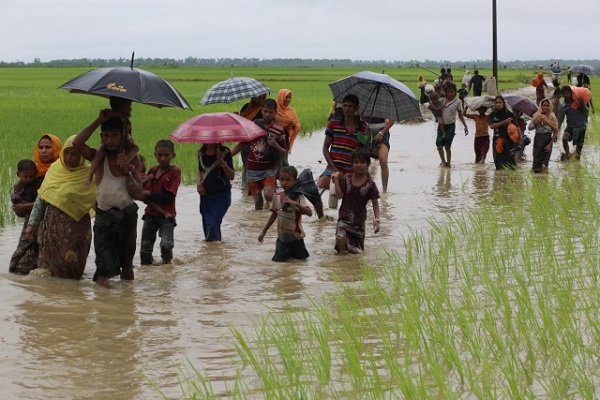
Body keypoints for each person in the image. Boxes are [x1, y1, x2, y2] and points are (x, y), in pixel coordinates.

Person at [72, 111, 143, 288]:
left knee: (127, 264)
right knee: (102, 270)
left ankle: (126, 304)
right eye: (106, 136)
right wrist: (99, 120)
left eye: (115, 136)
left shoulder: (134, 159)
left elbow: (138, 194)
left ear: (123, 137)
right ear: (101, 137)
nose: (110, 140)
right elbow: (77, 143)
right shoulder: (98, 156)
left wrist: (126, 170)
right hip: (104, 215)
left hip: (127, 215)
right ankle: (106, 309)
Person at [24, 136, 96, 280]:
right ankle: (53, 298)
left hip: (76, 231)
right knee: (48, 270)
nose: (69, 158)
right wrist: (32, 224)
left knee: (72, 270)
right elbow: (42, 198)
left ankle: (70, 298)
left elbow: (99, 202)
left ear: (82, 155)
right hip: (51, 228)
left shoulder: (90, 174)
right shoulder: (55, 170)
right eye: (67, 153)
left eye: (74, 154)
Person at [9, 134, 63, 275]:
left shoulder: (61, 172)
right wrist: (19, 206)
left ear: (56, 149)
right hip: (31, 225)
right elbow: (19, 205)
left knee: (53, 269)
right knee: (19, 267)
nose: (43, 151)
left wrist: (24, 207)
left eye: (48, 147)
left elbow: (54, 200)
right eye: (41, 147)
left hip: (53, 226)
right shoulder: (32, 172)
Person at [316, 94, 369, 218]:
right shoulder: (334, 123)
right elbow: (325, 148)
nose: (347, 109)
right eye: (345, 106)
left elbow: (365, 155)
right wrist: (334, 169)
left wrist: (366, 140)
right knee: (318, 190)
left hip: (352, 170)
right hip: (333, 166)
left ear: (357, 108)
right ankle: (321, 219)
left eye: (350, 106)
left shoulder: (362, 128)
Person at [231, 99, 287, 210]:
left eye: (271, 112)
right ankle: (259, 223)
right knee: (258, 203)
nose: (267, 114)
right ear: (261, 111)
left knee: (269, 194)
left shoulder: (279, 130)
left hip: (269, 169)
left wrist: (275, 145)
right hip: (252, 170)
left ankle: (274, 210)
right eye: (265, 111)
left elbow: (283, 152)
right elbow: (241, 144)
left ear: (275, 113)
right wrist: (227, 155)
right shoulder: (254, 126)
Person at [258, 165, 312, 262]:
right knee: (279, 263)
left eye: (288, 180)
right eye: (281, 179)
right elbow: (274, 214)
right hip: (282, 237)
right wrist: (263, 232)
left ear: (295, 181)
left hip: (296, 238)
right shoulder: (277, 196)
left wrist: (295, 204)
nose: (284, 183)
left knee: (300, 262)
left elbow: (309, 212)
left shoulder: (298, 197)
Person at [139, 140, 181, 265]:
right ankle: (150, 275)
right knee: (145, 251)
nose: (162, 158)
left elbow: (169, 197)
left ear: (173, 155)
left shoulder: (175, 172)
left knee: (166, 246)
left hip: (167, 215)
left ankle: (167, 269)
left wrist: (150, 195)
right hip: (150, 214)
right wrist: (147, 194)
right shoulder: (152, 170)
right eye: (159, 155)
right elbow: (143, 192)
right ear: (155, 155)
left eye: (166, 155)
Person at [332, 148, 380, 254]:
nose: (359, 165)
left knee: (356, 254)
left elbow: (375, 203)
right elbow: (339, 196)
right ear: (352, 164)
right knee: (340, 239)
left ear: (367, 165)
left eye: (362, 162)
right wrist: (336, 180)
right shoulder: (347, 179)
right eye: (356, 162)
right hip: (344, 221)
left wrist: (376, 219)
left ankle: (345, 264)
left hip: (358, 225)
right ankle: (343, 263)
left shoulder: (370, 185)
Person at [86, 97, 138, 185]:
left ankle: (126, 162)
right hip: (107, 144)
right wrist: (119, 115)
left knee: (135, 148)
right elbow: (105, 113)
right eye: (129, 105)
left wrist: (128, 140)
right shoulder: (110, 114)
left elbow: (128, 135)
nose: (130, 108)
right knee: (99, 152)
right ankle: (90, 175)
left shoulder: (126, 121)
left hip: (123, 142)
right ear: (122, 106)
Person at [197, 142, 234, 242]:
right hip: (206, 195)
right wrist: (199, 183)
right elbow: (200, 171)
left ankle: (213, 249)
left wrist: (222, 161)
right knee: (208, 225)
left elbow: (231, 176)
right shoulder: (201, 153)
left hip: (222, 195)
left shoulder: (225, 152)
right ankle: (212, 251)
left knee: (213, 222)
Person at [436, 83, 469, 168]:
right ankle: (443, 162)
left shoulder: (457, 102)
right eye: (449, 92)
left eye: (452, 92)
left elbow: (460, 115)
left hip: (451, 126)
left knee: (447, 145)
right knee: (439, 144)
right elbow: (436, 111)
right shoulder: (441, 101)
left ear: (455, 92)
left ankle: (449, 164)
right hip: (441, 125)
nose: (450, 93)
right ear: (446, 92)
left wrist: (465, 125)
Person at [239, 94, 267, 190]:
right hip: (245, 141)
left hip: (258, 144)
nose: (260, 100)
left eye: (263, 98)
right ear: (253, 97)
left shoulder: (264, 110)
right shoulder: (246, 107)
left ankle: (255, 188)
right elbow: (240, 123)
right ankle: (246, 189)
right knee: (246, 165)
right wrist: (237, 116)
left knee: (257, 166)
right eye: (258, 97)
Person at [488, 95, 521, 170]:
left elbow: (517, 127)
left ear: (503, 103)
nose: (498, 104)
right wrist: (504, 122)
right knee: (498, 162)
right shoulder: (492, 115)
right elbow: (492, 126)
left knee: (511, 163)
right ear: (494, 104)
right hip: (497, 140)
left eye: (500, 102)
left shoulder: (509, 114)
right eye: (496, 103)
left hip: (509, 141)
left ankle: (511, 180)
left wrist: (520, 139)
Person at [558, 86, 589, 161]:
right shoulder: (563, 106)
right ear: (562, 95)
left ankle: (577, 167)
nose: (566, 95)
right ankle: (568, 154)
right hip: (570, 127)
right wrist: (556, 132)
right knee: (564, 138)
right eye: (564, 93)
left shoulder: (578, 102)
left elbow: (586, 112)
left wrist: (582, 104)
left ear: (571, 93)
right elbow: (560, 120)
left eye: (568, 93)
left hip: (581, 128)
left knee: (578, 152)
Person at [528, 98, 558, 173]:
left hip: (548, 140)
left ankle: (545, 182)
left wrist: (550, 144)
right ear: (541, 106)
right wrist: (536, 123)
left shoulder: (552, 117)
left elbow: (556, 130)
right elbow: (529, 127)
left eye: (547, 105)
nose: (545, 107)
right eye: (543, 105)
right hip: (538, 141)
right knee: (536, 166)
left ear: (550, 106)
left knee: (544, 165)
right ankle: (536, 182)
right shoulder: (537, 116)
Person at [366, 116, 395, 193]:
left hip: (382, 131)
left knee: (383, 160)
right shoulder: (365, 104)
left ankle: (384, 191)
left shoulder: (385, 105)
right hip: (367, 131)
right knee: (363, 162)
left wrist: (382, 132)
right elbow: (360, 117)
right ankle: (369, 186)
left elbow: (392, 120)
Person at [275, 89, 302, 153]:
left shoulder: (291, 110)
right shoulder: (274, 108)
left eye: (290, 97)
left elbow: (298, 126)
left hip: (285, 141)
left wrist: (293, 125)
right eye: (286, 97)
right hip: (273, 140)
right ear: (281, 97)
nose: (288, 99)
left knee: (283, 161)